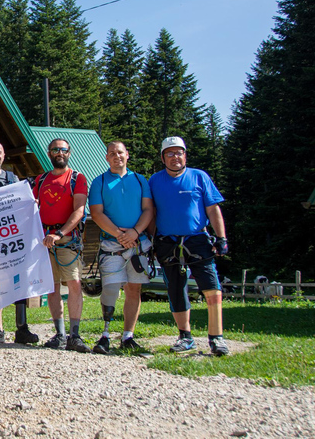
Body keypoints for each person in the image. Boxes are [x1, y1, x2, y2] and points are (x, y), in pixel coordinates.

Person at [149, 136, 230, 356]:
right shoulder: (154, 181)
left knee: (212, 289)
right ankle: (185, 336)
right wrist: (152, 240)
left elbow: (213, 210)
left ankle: (217, 338)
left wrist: (221, 238)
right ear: (163, 157)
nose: (175, 157)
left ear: (185, 155)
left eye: (179, 153)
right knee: (176, 289)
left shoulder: (199, 177)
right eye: (170, 153)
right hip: (167, 241)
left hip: (198, 239)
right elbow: (151, 213)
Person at [88, 141, 153, 354]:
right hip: (111, 243)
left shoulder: (140, 180)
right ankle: (105, 334)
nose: (117, 156)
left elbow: (148, 209)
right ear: (107, 158)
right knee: (111, 288)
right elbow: (96, 213)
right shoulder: (99, 182)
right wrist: (120, 234)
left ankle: (128, 336)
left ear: (127, 155)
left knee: (134, 289)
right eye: (112, 153)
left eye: (120, 152)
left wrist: (134, 233)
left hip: (137, 243)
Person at [0, 141, 39, 345]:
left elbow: (22, 201)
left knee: (18, 280)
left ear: (3, 156)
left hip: (12, 238)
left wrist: (32, 203)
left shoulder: (13, 179)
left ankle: (22, 328)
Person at [33, 138, 91, 353]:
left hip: (67, 239)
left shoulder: (77, 178)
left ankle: (74, 335)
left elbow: (79, 210)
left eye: (63, 150)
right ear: (49, 153)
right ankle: (59, 334)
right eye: (55, 150)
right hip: (44, 240)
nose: (60, 153)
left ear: (69, 153)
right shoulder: (40, 180)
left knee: (74, 283)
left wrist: (60, 233)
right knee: (52, 286)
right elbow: (30, 206)